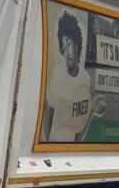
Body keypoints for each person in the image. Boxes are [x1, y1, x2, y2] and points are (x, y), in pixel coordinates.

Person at [43, 10, 106, 142]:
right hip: (51, 148)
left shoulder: (85, 78)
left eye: (69, 43)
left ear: (77, 44)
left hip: (68, 151)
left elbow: (79, 127)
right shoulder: (57, 73)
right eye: (64, 47)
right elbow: (49, 114)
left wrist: (92, 110)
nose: (66, 51)